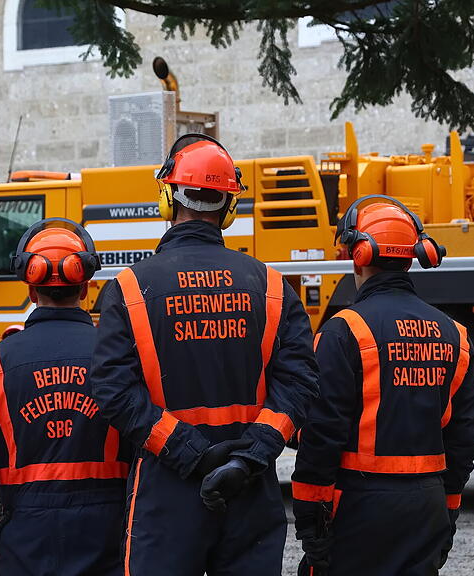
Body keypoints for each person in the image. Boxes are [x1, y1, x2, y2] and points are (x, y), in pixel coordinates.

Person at [90, 134, 319, 576]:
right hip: (248, 484)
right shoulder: (272, 287)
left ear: (166, 199)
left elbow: (113, 391)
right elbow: (300, 385)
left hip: (167, 485)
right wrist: (248, 457)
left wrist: (191, 453)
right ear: (229, 210)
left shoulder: (131, 288)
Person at [291, 195, 474, 576]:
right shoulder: (455, 335)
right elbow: (465, 436)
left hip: (360, 504)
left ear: (359, 255)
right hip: (426, 505)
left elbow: (321, 432)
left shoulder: (344, 331)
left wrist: (309, 514)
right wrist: (448, 506)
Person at [0, 218, 128, 576]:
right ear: (85, 286)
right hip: (108, 535)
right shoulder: (118, 355)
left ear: (28, 286)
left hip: (24, 536)